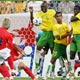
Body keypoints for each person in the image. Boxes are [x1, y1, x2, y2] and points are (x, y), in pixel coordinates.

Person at [34, 2, 56, 79]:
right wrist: (30, 13)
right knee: (38, 48)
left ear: (47, 6)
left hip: (52, 33)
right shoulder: (39, 14)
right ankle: (36, 69)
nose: (43, 7)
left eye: (44, 6)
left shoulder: (52, 11)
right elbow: (34, 20)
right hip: (44, 33)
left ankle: (52, 72)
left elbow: (57, 17)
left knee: (54, 52)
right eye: (42, 6)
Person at [51, 11, 71, 79]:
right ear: (55, 18)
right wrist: (67, 34)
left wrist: (70, 33)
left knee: (66, 61)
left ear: (62, 17)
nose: (59, 17)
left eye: (60, 16)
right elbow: (58, 37)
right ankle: (51, 73)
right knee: (53, 59)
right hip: (58, 45)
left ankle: (67, 75)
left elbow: (70, 33)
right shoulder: (54, 26)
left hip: (64, 46)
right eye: (57, 16)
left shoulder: (65, 25)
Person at [68, 5, 80, 79]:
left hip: (79, 36)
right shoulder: (74, 17)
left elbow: (72, 19)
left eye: (77, 9)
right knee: (72, 55)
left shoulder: (78, 15)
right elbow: (72, 29)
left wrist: (71, 18)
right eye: (74, 9)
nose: (75, 10)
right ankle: (71, 73)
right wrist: (72, 36)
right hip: (74, 37)